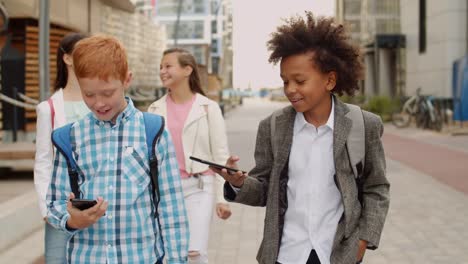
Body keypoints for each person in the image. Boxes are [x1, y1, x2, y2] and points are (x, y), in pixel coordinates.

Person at [212, 12, 390, 264]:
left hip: (338, 253)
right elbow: (263, 190)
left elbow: (377, 187)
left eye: (300, 80)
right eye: (285, 81)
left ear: (329, 80)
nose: (290, 90)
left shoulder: (364, 125)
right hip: (286, 253)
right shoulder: (272, 127)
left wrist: (363, 241)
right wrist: (238, 183)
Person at [46, 35, 189, 263]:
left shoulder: (152, 131)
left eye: (107, 93)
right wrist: (73, 220)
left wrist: (176, 259)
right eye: (89, 94)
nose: (99, 103)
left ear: (126, 80)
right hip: (87, 257)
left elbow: (171, 208)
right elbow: (54, 203)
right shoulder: (69, 137)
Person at [148, 48, 232, 264]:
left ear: (187, 70)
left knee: (195, 252)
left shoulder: (208, 108)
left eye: (168, 66)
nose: (162, 71)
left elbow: (220, 156)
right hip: (165, 191)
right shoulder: (154, 110)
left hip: (199, 187)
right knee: (168, 254)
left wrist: (222, 199)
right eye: (161, 67)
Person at [33, 32, 88, 264]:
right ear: (67, 59)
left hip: (97, 199)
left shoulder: (101, 103)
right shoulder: (48, 109)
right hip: (60, 203)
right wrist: (46, 209)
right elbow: (44, 160)